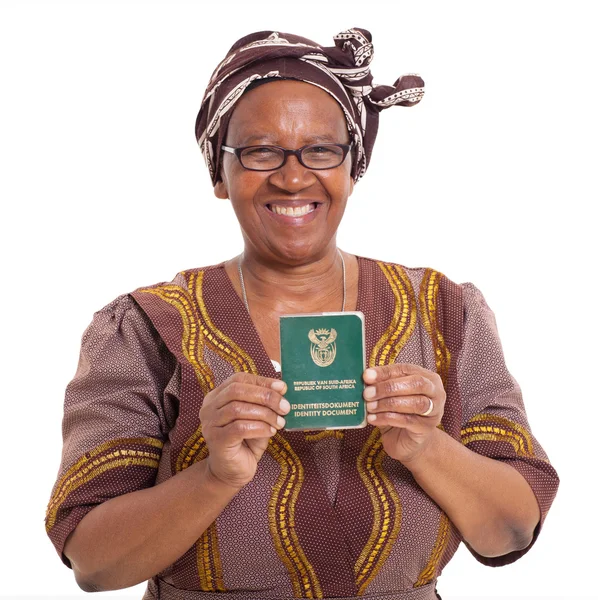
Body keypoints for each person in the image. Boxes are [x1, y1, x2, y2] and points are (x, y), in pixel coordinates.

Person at [45, 28, 559, 600]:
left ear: (352, 166)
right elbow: (93, 563)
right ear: (221, 172)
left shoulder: (444, 312)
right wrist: (214, 474)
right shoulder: (146, 326)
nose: (293, 177)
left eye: (321, 150)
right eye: (261, 151)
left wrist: (426, 447)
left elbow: (511, 534)